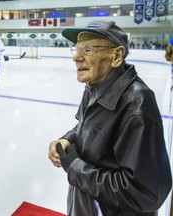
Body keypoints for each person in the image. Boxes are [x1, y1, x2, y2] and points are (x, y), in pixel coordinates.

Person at [48, 20, 172, 216]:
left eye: (87, 49)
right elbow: (85, 126)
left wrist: (75, 168)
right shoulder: (94, 87)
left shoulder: (137, 104)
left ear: (116, 56)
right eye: (76, 49)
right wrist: (67, 139)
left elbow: (147, 194)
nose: (76, 58)